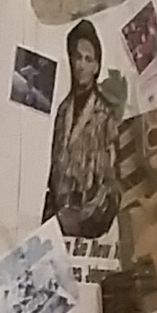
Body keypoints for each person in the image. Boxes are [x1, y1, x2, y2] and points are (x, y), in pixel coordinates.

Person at [44, 19, 121, 243]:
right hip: (58, 227)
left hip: (89, 230)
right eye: (78, 57)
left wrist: (85, 219)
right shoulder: (63, 111)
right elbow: (54, 171)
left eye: (88, 59)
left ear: (96, 66)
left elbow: (111, 186)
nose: (82, 65)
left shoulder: (104, 116)